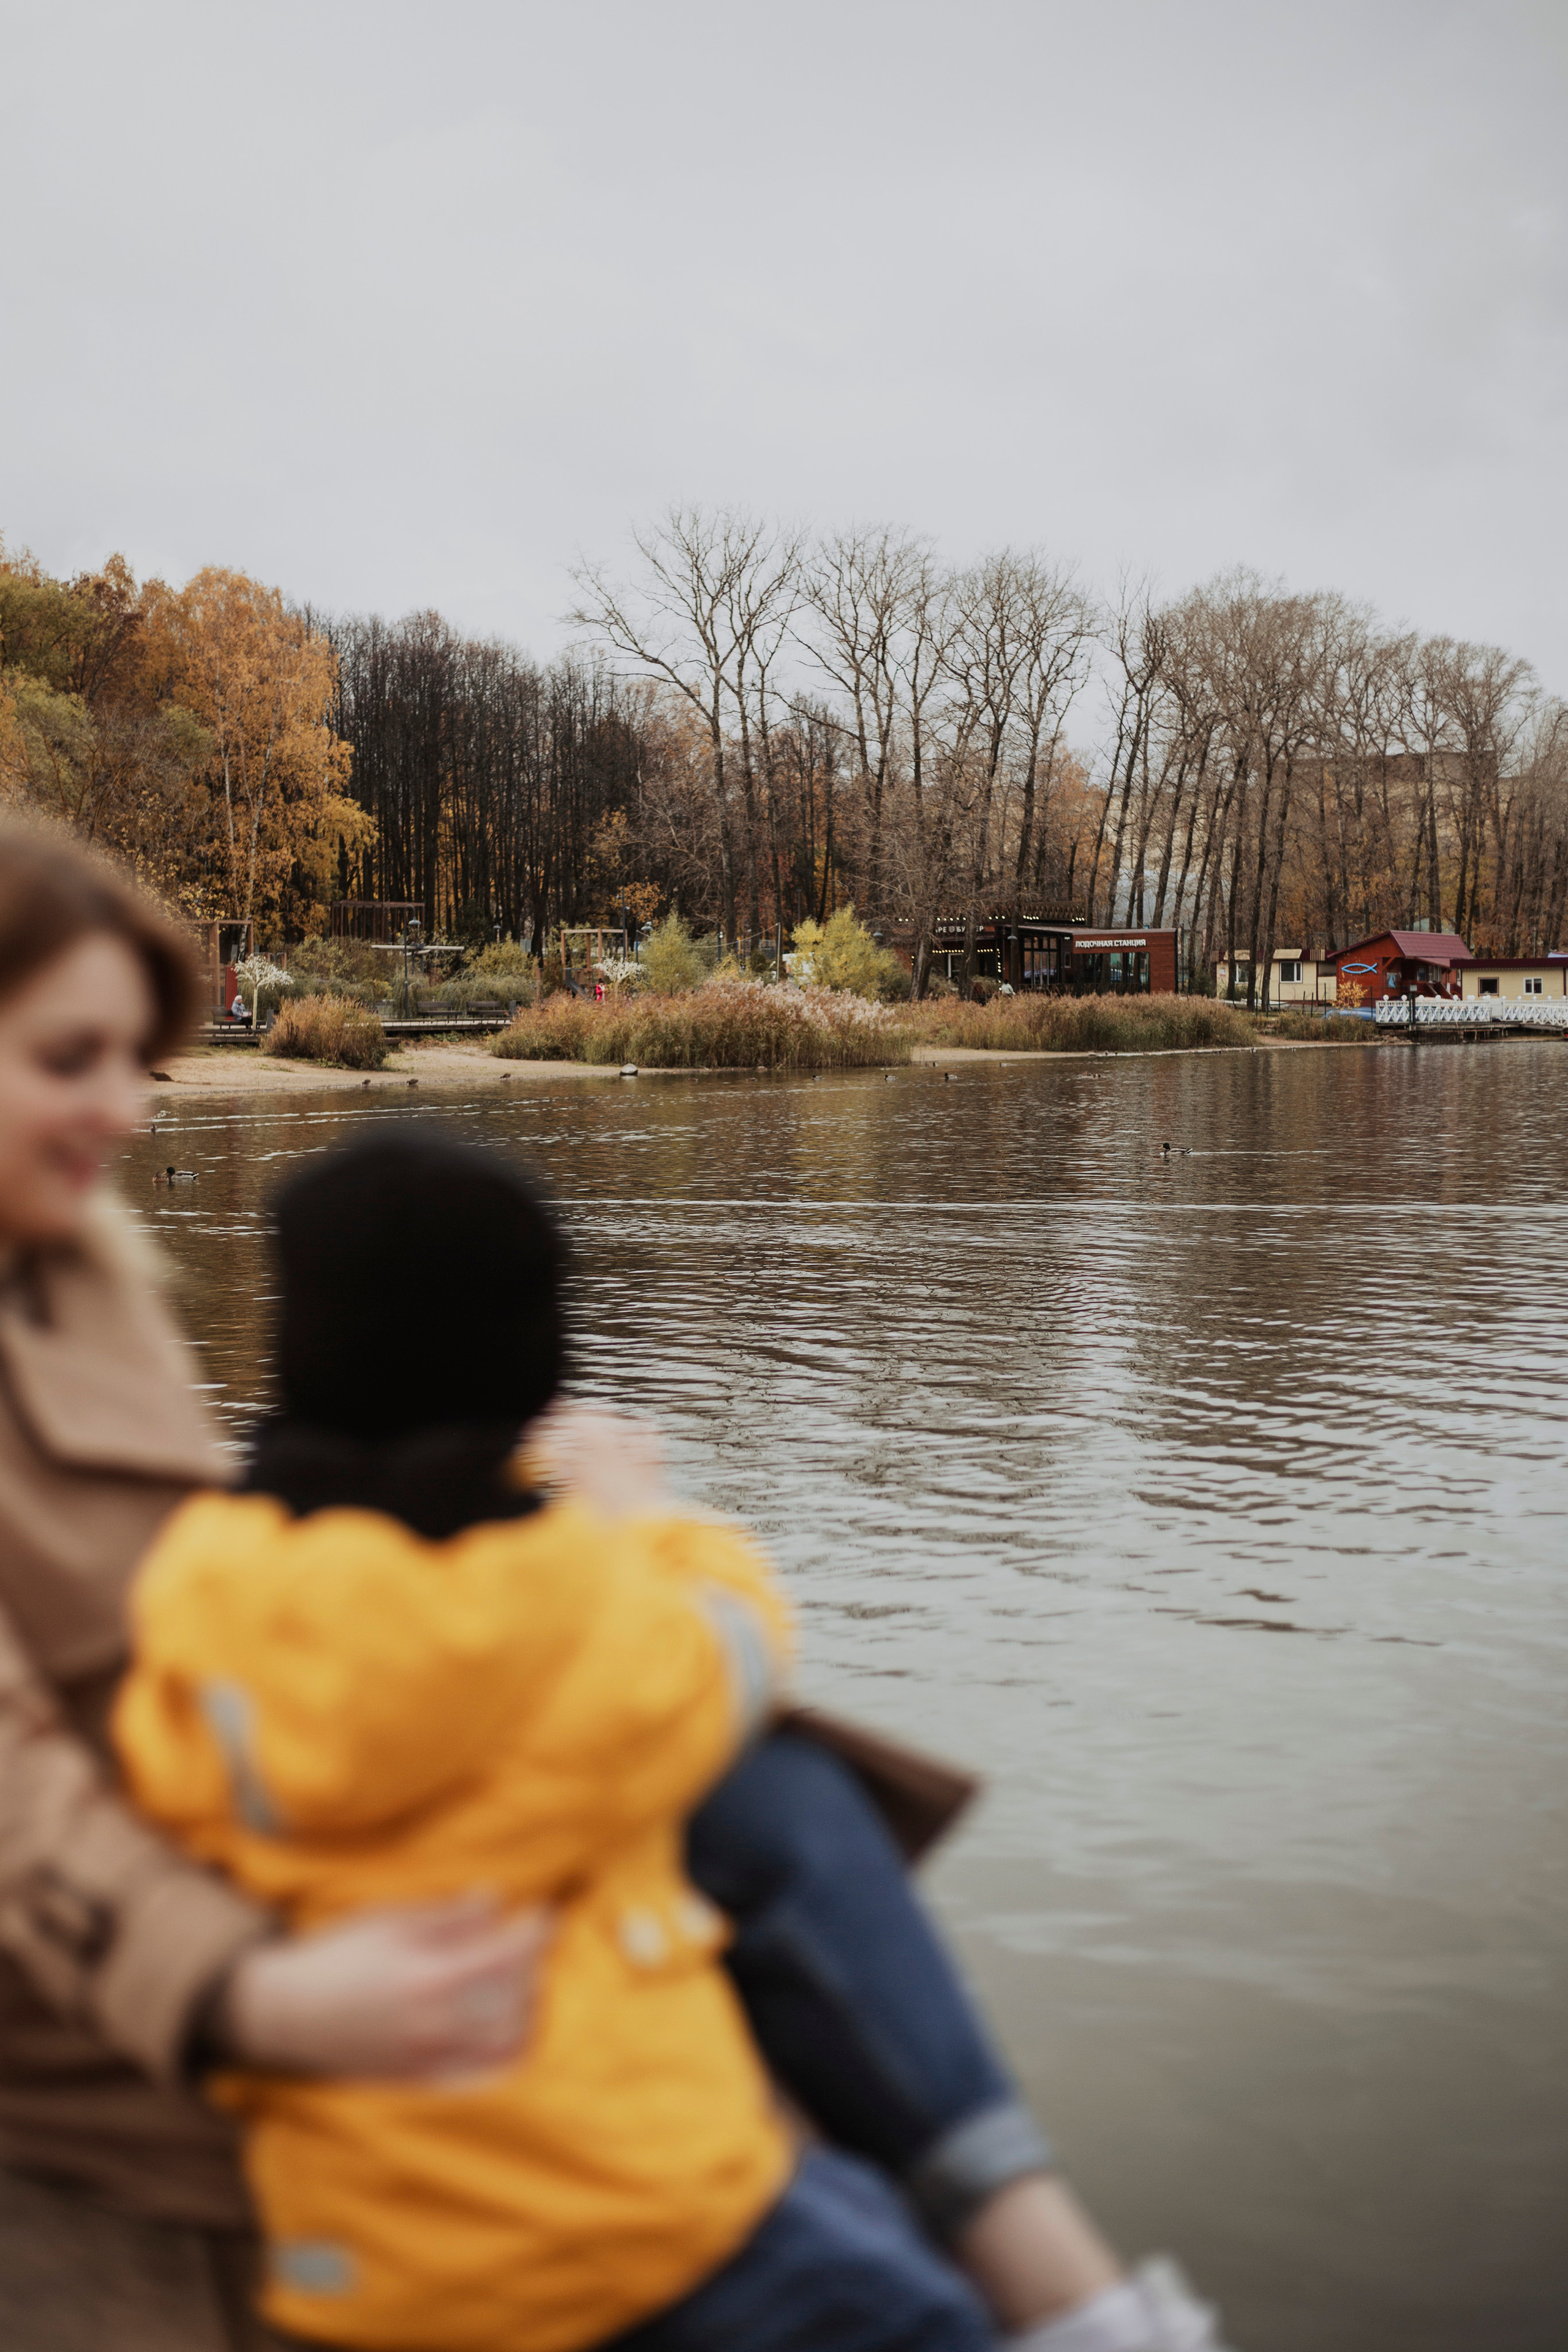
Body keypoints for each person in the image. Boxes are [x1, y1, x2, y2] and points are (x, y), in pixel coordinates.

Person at [0, 816, 1227, 2351]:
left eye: (136, 1059)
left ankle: (1035, 2273)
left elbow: (233, 1544)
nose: (124, 1106)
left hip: (283, 1811)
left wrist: (477, 1492)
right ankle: (1057, 2293)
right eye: (71, 1059)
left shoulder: (70, 1282)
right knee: (719, 1736)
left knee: (745, 1779)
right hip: (185, 1964)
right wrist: (250, 1998)